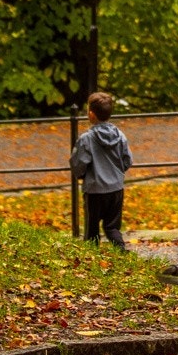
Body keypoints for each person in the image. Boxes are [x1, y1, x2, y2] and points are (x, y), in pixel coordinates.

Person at [70, 90, 132, 247]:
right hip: (116, 189)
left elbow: (78, 164)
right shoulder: (120, 135)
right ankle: (121, 252)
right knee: (112, 227)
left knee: (92, 230)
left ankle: (92, 260)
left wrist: (82, 175)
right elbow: (127, 160)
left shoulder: (87, 139)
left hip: (94, 190)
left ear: (91, 114)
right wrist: (117, 174)